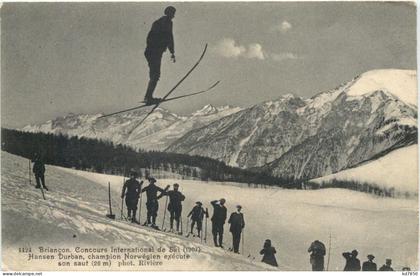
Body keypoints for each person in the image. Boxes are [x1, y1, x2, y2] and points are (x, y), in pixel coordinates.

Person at [143, 6, 176, 105]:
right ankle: (148, 97)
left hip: (151, 51)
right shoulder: (167, 23)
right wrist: (172, 52)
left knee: (154, 75)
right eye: (173, 13)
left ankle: (148, 96)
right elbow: (169, 37)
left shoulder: (158, 22)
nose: (174, 15)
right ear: (170, 13)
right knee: (155, 75)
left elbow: (150, 36)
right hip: (155, 52)